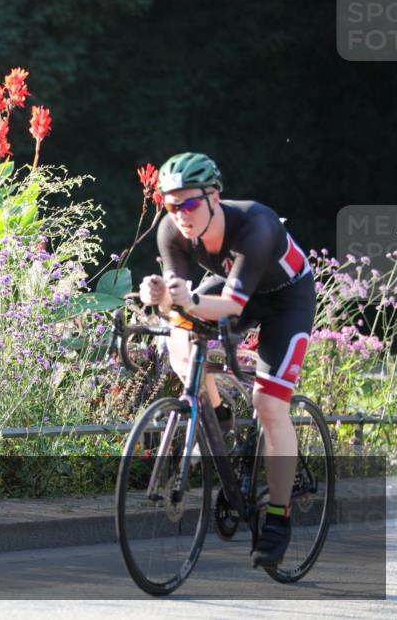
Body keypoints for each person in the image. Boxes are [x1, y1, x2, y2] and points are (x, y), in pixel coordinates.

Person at [138, 152, 315, 568]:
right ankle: (217, 414)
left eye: (190, 204)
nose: (181, 214)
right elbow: (178, 305)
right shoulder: (171, 230)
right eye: (172, 205)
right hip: (233, 288)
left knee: (269, 404)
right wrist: (159, 297)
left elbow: (232, 305)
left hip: (285, 299)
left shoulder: (256, 224)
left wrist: (187, 301)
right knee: (180, 339)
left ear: (214, 197)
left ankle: (278, 519)